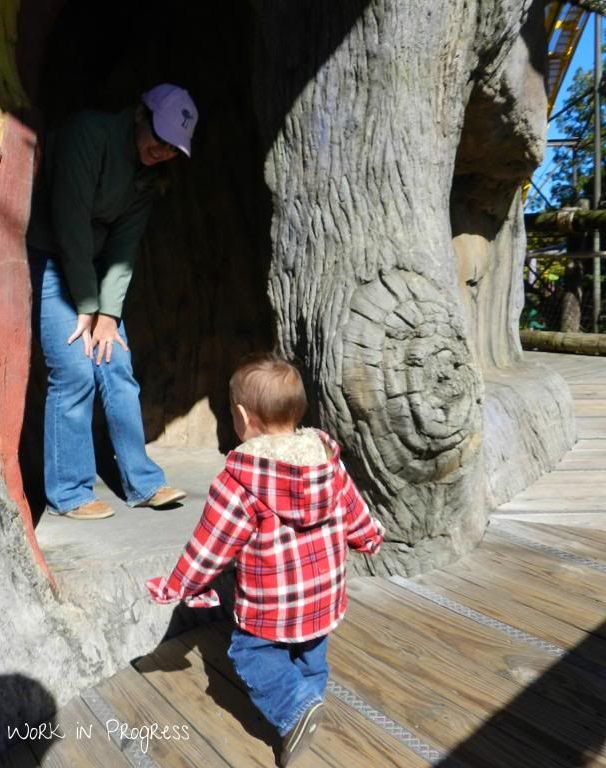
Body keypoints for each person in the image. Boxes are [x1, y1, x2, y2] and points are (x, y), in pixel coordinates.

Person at [146, 354, 384, 766]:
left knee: (250, 654)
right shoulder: (328, 462)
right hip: (324, 595)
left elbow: (210, 548)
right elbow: (354, 511)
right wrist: (369, 538)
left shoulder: (239, 481)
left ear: (242, 416)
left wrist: (177, 586)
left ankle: (295, 710)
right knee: (311, 651)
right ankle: (308, 702)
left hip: (271, 605)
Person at [26, 84, 199, 520]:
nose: (161, 150)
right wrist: (87, 304)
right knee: (74, 368)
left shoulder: (150, 175)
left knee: (117, 362)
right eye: (157, 137)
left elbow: (124, 246)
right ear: (139, 114)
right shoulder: (91, 133)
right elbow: (70, 221)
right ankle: (69, 491)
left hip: (96, 269)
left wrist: (108, 314)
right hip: (52, 257)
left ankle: (143, 482)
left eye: (171, 147)